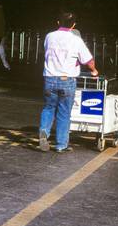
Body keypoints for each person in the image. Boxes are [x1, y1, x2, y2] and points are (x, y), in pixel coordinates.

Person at [39, 11, 98, 153]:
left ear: (58, 23)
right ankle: (61, 145)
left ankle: (44, 132)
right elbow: (88, 60)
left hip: (50, 78)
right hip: (67, 80)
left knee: (48, 108)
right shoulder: (76, 40)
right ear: (74, 25)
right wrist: (94, 70)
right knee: (64, 113)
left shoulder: (49, 36)